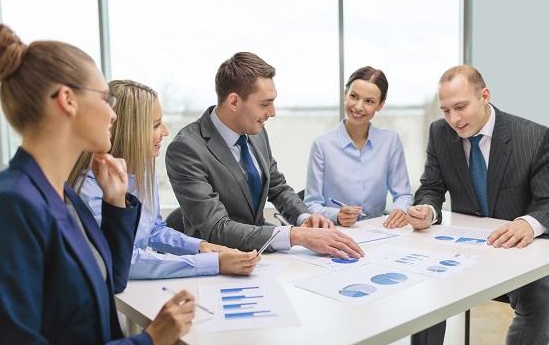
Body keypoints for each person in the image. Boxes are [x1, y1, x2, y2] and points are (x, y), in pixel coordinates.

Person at [0, 24, 194, 344]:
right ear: (67, 100)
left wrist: (116, 205)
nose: (113, 114)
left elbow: (110, 281)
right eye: (104, 98)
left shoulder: (62, 193)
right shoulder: (13, 203)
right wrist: (149, 340)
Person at [166, 52, 363, 259]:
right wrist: (297, 235)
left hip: (261, 255)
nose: (273, 112)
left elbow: (277, 187)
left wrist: (304, 218)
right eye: (264, 104)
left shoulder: (255, 131)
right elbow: (217, 229)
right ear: (234, 102)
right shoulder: (186, 149)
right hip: (219, 261)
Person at [407, 65, 549, 345]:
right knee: (423, 295)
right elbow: (432, 188)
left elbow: (547, 201)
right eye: (446, 110)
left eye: (460, 107)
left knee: (542, 301)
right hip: (461, 250)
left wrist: (528, 223)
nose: (454, 119)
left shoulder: (533, 138)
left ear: (485, 95)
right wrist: (428, 209)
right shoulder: (439, 133)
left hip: (515, 254)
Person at [71, 80, 260, 279]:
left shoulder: (143, 168)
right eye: (155, 125)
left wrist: (201, 247)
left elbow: (153, 230)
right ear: (130, 131)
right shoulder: (87, 186)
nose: (165, 131)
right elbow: (125, 260)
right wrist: (213, 263)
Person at [304, 66, 413, 227]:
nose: (358, 107)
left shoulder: (390, 141)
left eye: (369, 101)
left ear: (380, 105)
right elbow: (311, 204)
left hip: (380, 231)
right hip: (337, 232)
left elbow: (403, 194)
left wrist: (400, 210)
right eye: (354, 96)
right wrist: (336, 215)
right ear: (345, 95)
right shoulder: (322, 145)